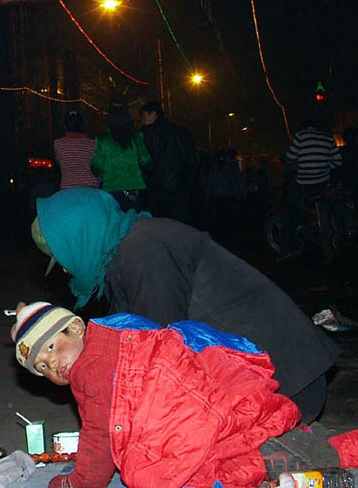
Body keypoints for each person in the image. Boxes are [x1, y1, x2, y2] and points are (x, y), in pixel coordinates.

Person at [10, 302, 358, 488]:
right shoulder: (117, 334)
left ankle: (270, 459)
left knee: (163, 469)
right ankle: (286, 447)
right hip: (208, 400)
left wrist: (82, 481)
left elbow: (100, 431)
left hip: (186, 414)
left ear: (75, 329)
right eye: (41, 367)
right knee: (228, 441)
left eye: (52, 348)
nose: (51, 365)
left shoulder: (91, 368)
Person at [31, 188, 337, 423]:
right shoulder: (125, 251)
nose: (66, 271)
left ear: (81, 236)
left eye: (63, 258)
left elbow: (157, 351)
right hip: (268, 384)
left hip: (287, 385)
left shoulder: (144, 249)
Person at [279, 118, 342, 259]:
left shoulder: (301, 137)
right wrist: (324, 168)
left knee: (288, 215)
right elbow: (337, 162)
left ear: (304, 128)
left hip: (304, 184)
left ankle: (286, 250)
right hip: (323, 185)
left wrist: (301, 164)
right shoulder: (328, 138)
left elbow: (290, 157)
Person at [139, 100, 198, 223]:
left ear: (153, 114)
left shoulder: (147, 134)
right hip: (181, 189)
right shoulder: (181, 133)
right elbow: (193, 160)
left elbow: (145, 162)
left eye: (144, 116)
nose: (142, 120)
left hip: (157, 190)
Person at [91, 101, 150, 211]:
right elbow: (145, 160)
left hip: (111, 187)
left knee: (115, 223)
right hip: (135, 186)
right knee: (134, 223)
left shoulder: (103, 139)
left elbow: (97, 166)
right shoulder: (136, 137)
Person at [52, 109, 99, 191]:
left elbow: (59, 162)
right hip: (90, 187)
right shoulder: (93, 144)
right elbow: (96, 166)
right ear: (82, 125)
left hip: (67, 187)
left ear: (65, 125)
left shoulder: (58, 144)